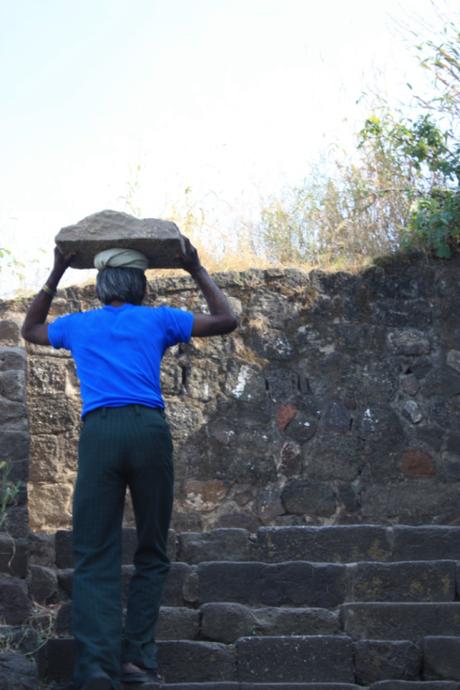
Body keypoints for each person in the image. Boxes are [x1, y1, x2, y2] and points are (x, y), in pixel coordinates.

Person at [21, 237, 238, 690]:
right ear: (140, 287)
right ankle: (138, 661)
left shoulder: (79, 325)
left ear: (101, 288)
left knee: (94, 550)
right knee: (153, 549)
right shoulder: (158, 319)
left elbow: (30, 329)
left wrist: (58, 270)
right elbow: (226, 318)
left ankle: (96, 665)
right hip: (147, 431)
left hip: (100, 433)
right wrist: (195, 269)